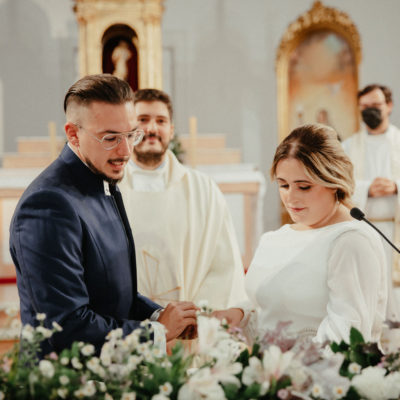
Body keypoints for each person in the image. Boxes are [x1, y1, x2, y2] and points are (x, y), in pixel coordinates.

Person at [9, 74, 197, 356]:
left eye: (131, 135)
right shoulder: (47, 205)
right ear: (73, 134)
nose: (126, 151)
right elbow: (67, 326)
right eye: (110, 138)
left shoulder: (102, 181)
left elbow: (112, 293)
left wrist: (160, 316)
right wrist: (157, 332)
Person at [214, 124, 388, 344]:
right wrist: (240, 315)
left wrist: (283, 363)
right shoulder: (275, 238)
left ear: (333, 181)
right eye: (283, 185)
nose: (291, 197)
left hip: (316, 366)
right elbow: (272, 311)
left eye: (303, 186)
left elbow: (346, 336)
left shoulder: (351, 241)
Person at [119, 89, 247, 309]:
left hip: (189, 321)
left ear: (171, 130)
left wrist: (197, 316)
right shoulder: (109, 189)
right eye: (143, 120)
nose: (151, 129)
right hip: (123, 322)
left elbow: (223, 264)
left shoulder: (203, 190)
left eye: (161, 121)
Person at [342, 84, 400, 319]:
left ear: (389, 106)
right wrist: (366, 189)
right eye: (364, 106)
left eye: (375, 105)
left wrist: (396, 186)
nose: (370, 110)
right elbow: (340, 187)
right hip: (363, 228)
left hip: (396, 228)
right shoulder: (348, 147)